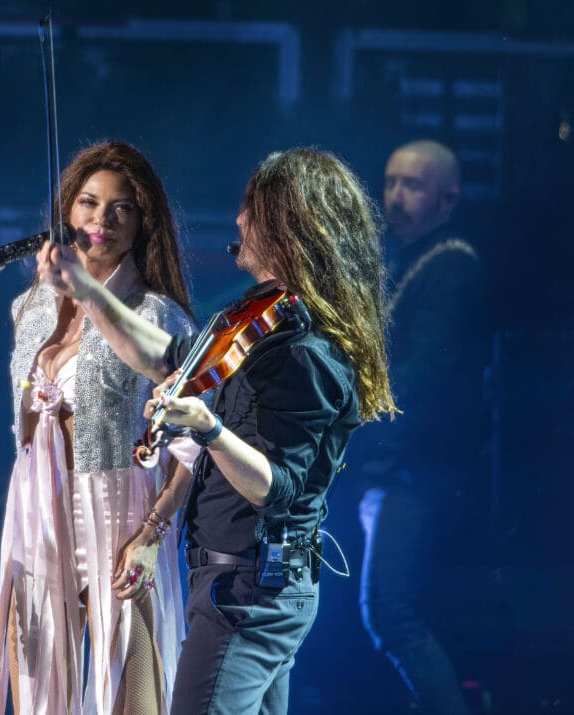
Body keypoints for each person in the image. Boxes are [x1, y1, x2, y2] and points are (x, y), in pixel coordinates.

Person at [39, 147, 397, 714]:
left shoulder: (303, 354)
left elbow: (274, 488)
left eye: (251, 208)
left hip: (249, 592)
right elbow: (166, 355)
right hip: (244, 586)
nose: (238, 220)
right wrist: (87, 291)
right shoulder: (264, 324)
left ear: (285, 225)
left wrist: (208, 427)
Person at [0, 141, 199, 715]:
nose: (103, 219)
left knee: (133, 694)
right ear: (66, 212)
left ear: (143, 222)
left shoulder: (157, 315)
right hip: (38, 510)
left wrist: (152, 534)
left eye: (122, 207)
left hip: (119, 510)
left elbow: (191, 445)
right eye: (89, 202)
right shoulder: (28, 307)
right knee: (37, 692)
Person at [354, 139, 488, 714]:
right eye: (390, 182)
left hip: (417, 469)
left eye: (411, 185)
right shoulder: (404, 259)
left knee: (391, 612)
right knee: (387, 612)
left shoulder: (451, 264)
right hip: (395, 465)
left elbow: (423, 374)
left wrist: (368, 433)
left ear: (447, 199)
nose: (395, 196)